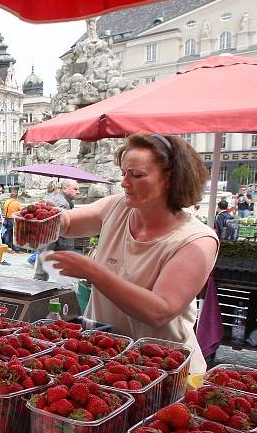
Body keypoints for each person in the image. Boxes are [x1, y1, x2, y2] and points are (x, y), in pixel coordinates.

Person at [46, 133, 218, 373]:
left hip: (161, 371)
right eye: (124, 173)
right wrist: (43, 218)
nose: (125, 183)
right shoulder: (117, 207)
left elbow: (159, 311)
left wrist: (93, 271)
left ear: (169, 178)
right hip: (104, 359)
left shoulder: (197, 240)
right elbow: (65, 222)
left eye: (136, 175)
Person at [33, 179, 79, 280]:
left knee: (43, 272)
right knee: (43, 275)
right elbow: (53, 225)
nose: (78, 192)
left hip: (53, 241)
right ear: (65, 189)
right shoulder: (63, 203)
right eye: (75, 189)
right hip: (55, 241)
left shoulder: (62, 200)